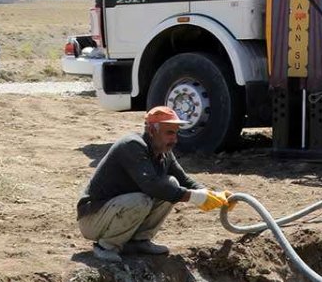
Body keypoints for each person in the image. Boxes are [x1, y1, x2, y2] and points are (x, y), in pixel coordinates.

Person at [77, 106, 234, 262]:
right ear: (152, 131)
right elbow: (151, 185)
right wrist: (197, 198)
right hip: (93, 219)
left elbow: (183, 180)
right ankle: (106, 246)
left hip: (115, 210)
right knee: (143, 199)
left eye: (176, 133)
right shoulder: (132, 145)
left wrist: (212, 195)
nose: (175, 139)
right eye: (169, 133)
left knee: (171, 183)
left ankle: (139, 241)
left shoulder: (163, 151)